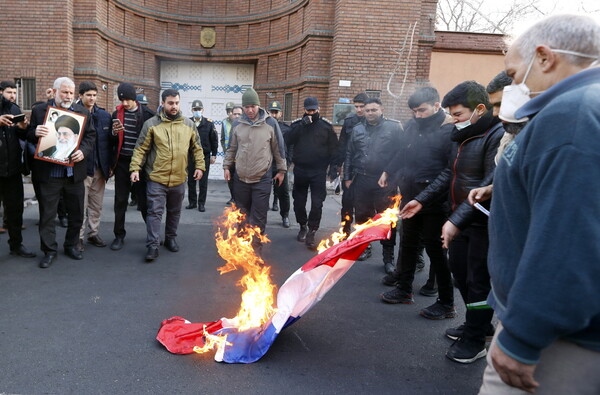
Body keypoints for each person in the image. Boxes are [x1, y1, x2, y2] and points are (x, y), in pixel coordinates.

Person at [479, 15, 600, 394]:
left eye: (516, 74)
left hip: (558, 340)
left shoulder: (574, 114)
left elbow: (568, 242)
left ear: (545, 58)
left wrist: (522, 337)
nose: (517, 85)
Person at [400, 81, 503, 364]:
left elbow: (489, 182)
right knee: (461, 276)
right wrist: (421, 199)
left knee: (478, 282)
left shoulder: (496, 134)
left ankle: (476, 339)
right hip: (460, 219)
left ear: (479, 109)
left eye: (457, 114)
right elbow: (449, 174)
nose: (453, 120)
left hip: (483, 222)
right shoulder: (462, 137)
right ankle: (478, 325)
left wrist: (455, 221)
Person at [379, 87, 455, 320]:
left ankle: (447, 303)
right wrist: (387, 171)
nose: (418, 115)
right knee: (408, 244)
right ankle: (404, 289)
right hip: (411, 196)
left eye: (422, 110)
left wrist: (424, 199)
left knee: (436, 251)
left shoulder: (449, 130)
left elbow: (449, 170)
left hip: (435, 201)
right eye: (414, 111)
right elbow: (403, 153)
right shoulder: (412, 126)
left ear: (436, 105)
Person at [27, 77, 96, 268]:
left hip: (73, 173)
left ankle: (71, 246)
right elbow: (29, 134)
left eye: (71, 93)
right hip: (49, 175)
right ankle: (49, 251)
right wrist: (35, 132)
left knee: (76, 214)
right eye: (64, 92)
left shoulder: (82, 111)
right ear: (55, 91)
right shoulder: (40, 110)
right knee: (48, 216)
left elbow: (90, 136)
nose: (68, 96)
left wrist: (84, 151)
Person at [130, 88, 205, 262]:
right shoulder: (151, 124)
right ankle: (153, 246)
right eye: (170, 103)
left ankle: (170, 238)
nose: (174, 106)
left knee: (174, 211)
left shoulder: (189, 125)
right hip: (157, 178)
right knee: (154, 212)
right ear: (162, 103)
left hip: (179, 178)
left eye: (177, 103)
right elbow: (140, 148)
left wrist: (200, 166)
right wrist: (135, 169)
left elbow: (197, 148)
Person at [222, 88, 286, 251]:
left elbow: (278, 147)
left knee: (258, 218)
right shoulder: (237, 124)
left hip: (262, 178)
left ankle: (256, 250)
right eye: (247, 107)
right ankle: (243, 250)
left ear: (258, 106)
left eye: (253, 106)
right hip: (241, 178)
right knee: (242, 217)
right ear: (243, 108)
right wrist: (227, 166)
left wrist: (281, 170)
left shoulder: (270, 122)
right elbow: (231, 148)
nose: (250, 110)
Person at [344, 97, 400, 272]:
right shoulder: (357, 129)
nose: (370, 113)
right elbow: (349, 153)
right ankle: (364, 247)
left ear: (381, 109)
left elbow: (400, 154)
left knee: (386, 219)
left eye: (373, 110)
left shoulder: (393, 127)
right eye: (367, 110)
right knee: (362, 216)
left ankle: (388, 257)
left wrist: (393, 176)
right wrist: (347, 176)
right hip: (362, 179)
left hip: (384, 181)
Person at [286, 97, 338, 249]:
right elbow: (286, 140)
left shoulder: (325, 126)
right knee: (299, 202)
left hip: (318, 171)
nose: (311, 113)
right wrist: (300, 127)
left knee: (317, 203)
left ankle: (312, 231)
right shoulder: (298, 125)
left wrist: (334, 168)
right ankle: (302, 226)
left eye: (314, 110)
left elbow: (334, 148)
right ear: (304, 109)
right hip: (301, 170)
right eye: (309, 110)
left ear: (318, 109)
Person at [110, 82, 155, 251]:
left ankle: (152, 235)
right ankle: (118, 236)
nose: (126, 103)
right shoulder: (116, 114)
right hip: (122, 162)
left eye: (128, 99)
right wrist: (114, 133)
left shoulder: (148, 115)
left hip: (142, 165)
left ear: (134, 98)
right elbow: (112, 142)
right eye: (123, 100)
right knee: (120, 201)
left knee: (144, 202)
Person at [0, 82, 36, 258]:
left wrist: (23, 128)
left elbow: (22, 136)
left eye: (15, 92)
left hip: (12, 169)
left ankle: (16, 245)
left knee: (15, 210)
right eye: (9, 92)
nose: (12, 95)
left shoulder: (14, 109)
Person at [76, 81, 112, 250]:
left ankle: (93, 233)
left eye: (94, 95)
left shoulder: (104, 116)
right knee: (80, 206)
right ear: (80, 95)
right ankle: (79, 237)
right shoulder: (73, 114)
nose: (92, 98)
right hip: (82, 168)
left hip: (100, 168)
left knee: (96, 205)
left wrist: (109, 165)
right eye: (88, 95)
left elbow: (109, 144)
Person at [335, 92, 368, 237]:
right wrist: (338, 165)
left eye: (362, 106)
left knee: (363, 206)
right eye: (357, 107)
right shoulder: (349, 121)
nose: (359, 110)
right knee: (347, 203)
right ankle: (345, 232)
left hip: (366, 169)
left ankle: (361, 237)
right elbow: (342, 145)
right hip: (350, 167)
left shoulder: (372, 122)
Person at [185, 99, 218, 212]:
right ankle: (192, 202)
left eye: (199, 109)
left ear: (202, 110)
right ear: (192, 110)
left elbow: (214, 140)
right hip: (191, 155)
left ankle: (201, 203)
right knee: (191, 180)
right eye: (195, 109)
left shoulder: (208, 123)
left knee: (203, 181)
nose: (197, 111)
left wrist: (214, 154)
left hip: (205, 156)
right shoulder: (188, 122)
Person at [267, 100, 291, 228]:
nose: (274, 115)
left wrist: (288, 162)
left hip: (280, 165)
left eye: (276, 112)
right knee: (263, 191)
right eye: (272, 112)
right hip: (266, 165)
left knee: (283, 192)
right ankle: (261, 216)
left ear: (280, 114)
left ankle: (285, 216)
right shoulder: (263, 127)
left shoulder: (286, 129)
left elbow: (290, 147)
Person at [220, 102, 242, 205]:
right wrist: (226, 151)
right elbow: (223, 139)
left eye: (239, 114)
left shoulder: (245, 126)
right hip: (230, 155)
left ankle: (239, 199)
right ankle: (233, 197)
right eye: (235, 114)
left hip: (241, 158)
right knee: (230, 179)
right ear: (231, 113)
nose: (237, 116)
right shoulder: (225, 122)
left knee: (239, 180)